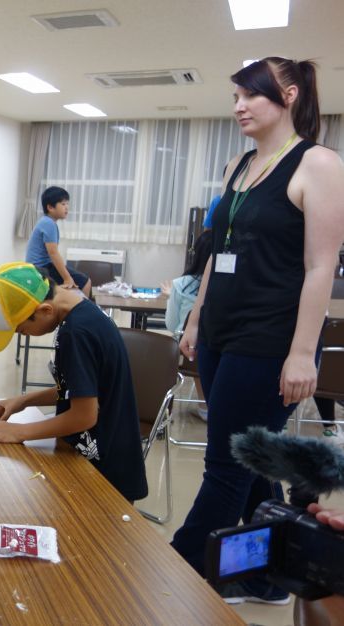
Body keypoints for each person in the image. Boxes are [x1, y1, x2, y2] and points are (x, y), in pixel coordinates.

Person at [172, 57, 344, 605]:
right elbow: (215, 252)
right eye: (236, 96)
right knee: (254, 459)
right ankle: (269, 574)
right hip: (222, 331)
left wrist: (301, 355)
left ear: (290, 95)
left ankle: (177, 572)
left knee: (224, 464)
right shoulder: (238, 165)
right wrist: (196, 319)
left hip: (271, 338)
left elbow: (320, 267)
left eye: (253, 95)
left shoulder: (317, 164)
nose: (239, 106)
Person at [0, 262, 148, 502]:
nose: (23, 335)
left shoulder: (75, 334)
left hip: (104, 472)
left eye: (22, 331)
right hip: (95, 456)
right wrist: (23, 401)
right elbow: (78, 388)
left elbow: (84, 416)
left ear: (45, 310)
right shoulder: (82, 311)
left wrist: (19, 432)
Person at [162, 230, 214, 419]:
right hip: (223, 357)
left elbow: (171, 324)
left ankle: (204, 406)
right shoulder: (230, 286)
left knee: (194, 349)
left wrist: (172, 297)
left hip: (188, 356)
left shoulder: (181, 284)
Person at [25, 186, 92, 297]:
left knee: (79, 280)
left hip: (40, 266)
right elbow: (53, 253)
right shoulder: (49, 224)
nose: (67, 207)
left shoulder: (46, 222)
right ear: (50, 207)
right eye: (63, 204)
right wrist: (67, 278)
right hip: (41, 269)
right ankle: (81, 312)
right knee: (84, 282)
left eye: (67, 204)